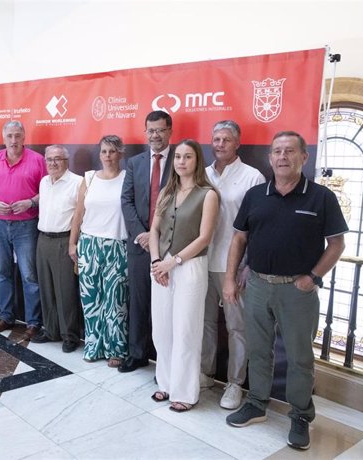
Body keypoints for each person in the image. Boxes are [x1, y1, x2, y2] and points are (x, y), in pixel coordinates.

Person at [224, 131, 347, 450]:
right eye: (277, 151)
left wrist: (313, 277)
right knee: (259, 349)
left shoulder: (321, 198)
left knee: (299, 356)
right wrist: (229, 278)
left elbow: (336, 244)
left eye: (290, 151)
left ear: (304, 157)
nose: (282, 156)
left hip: (298, 290)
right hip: (258, 286)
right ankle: (257, 403)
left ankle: (301, 415)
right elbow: (239, 239)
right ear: (270, 158)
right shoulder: (255, 195)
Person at [149, 139, 219, 412]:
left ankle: (185, 392)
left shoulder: (208, 194)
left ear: (196, 161)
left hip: (189, 267)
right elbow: (154, 230)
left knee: (186, 329)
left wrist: (174, 262)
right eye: (178, 156)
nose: (181, 162)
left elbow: (205, 238)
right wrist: (157, 262)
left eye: (187, 157)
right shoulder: (167, 191)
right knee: (162, 328)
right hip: (161, 265)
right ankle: (165, 383)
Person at [201, 120, 265, 410]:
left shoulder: (253, 177)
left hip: (233, 267)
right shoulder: (203, 174)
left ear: (237, 143)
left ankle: (235, 384)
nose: (220, 144)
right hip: (202, 261)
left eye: (226, 139)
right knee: (204, 324)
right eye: (216, 139)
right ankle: (205, 372)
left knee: (237, 328)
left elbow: (259, 228)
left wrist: (246, 265)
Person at [0, 120, 47, 339]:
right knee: (2, 273)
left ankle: (33, 322)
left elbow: (49, 190)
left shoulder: (38, 160)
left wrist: (31, 202)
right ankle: (6, 317)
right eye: (9, 136)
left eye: (17, 136)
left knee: (29, 275)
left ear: (24, 137)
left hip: (26, 225)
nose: (13, 141)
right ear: (3, 137)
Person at [119, 110, 174, 373]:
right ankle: (137, 353)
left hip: (170, 246)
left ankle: (164, 362)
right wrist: (142, 233)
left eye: (160, 130)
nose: (155, 135)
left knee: (166, 307)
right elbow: (126, 201)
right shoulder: (135, 162)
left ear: (169, 131)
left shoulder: (182, 159)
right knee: (138, 301)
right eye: (150, 130)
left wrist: (156, 236)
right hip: (139, 244)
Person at [69, 135, 129, 367]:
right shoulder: (90, 178)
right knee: (91, 299)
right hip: (89, 244)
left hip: (117, 245)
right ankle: (94, 345)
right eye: (104, 151)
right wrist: (72, 243)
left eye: (112, 151)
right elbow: (78, 213)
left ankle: (116, 349)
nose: (107, 156)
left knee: (116, 301)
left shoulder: (127, 178)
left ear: (120, 154)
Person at [32, 145, 82, 353]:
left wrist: (73, 243)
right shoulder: (44, 182)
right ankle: (51, 330)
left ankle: (69, 335)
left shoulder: (78, 182)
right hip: (43, 239)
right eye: (49, 159)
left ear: (66, 161)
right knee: (46, 288)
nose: (53, 163)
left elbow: (80, 217)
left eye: (57, 159)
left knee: (65, 291)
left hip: (64, 240)